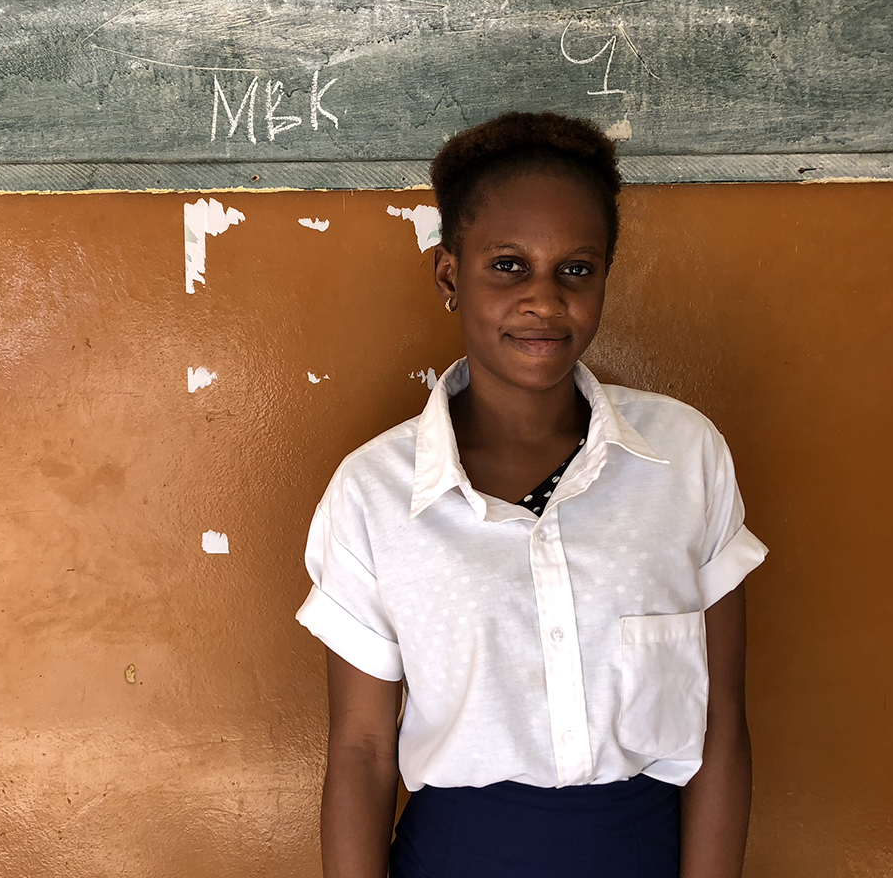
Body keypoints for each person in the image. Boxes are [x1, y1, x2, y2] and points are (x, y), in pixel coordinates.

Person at [294, 112, 767, 877]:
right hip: (457, 856)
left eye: (575, 269)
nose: (543, 300)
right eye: (508, 265)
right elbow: (362, 750)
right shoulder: (374, 493)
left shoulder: (683, 458)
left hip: (646, 852)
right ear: (451, 275)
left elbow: (721, 726)